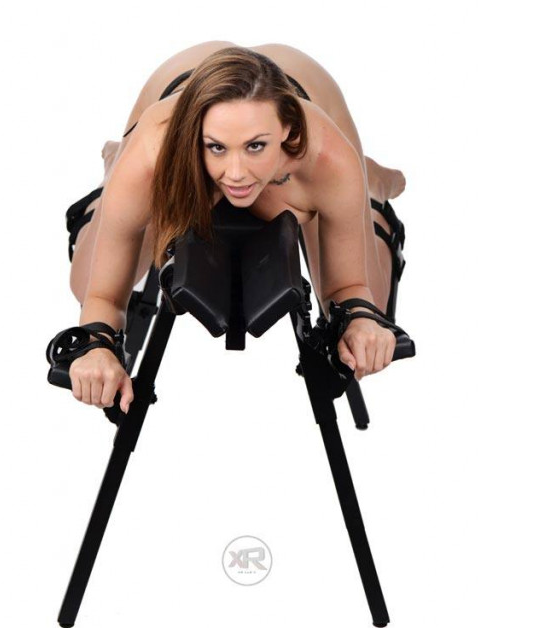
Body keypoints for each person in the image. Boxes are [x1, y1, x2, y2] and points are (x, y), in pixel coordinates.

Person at [64, 41, 407, 414]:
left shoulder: (326, 158)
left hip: (303, 86)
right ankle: (114, 174)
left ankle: (369, 185)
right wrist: (97, 348)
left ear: (287, 130)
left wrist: (359, 320)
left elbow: (347, 289)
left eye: (255, 146)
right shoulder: (151, 157)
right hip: (178, 83)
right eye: (216, 148)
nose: (237, 173)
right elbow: (102, 297)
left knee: (374, 310)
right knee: (85, 280)